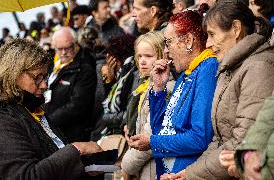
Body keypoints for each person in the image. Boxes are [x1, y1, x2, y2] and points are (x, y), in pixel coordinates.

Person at [164, 0, 274, 180]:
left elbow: (241, 141)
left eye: (212, 34)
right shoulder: (232, 67)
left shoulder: (259, 67)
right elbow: (218, 139)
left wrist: (191, 174)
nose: (207, 44)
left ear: (236, 29)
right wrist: (189, 173)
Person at [128, 6, 218, 180]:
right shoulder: (186, 73)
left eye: (168, 42)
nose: (166, 50)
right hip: (167, 172)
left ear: (189, 41)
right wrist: (159, 89)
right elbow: (160, 128)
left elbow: (199, 138)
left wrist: (152, 142)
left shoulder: (208, 68)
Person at [0, 38, 103, 180]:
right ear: (12, 75)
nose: (44, 85)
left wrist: (86, 165)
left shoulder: (32, 107)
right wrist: (76, 149)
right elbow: (26, 176)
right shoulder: (5, 119)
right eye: (37, 77)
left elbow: (54, 155)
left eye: (45, 77)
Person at [121, 31, 175, 180]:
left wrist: (126, 165)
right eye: (139, 56)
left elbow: (150, 138)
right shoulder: (144, 85)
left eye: (148, 56)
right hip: (142, 166)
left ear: (163, 57)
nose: (142, 61)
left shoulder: (167, 88)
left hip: (153, 167)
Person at [45, 27, 96, 143]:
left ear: (75, 44)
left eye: (67, 48)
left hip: (72, 132)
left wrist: (47, 121)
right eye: (59, 49)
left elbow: (77, 106)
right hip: (51, 125)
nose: (63, 52)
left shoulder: (84, 68)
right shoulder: (52, 62)